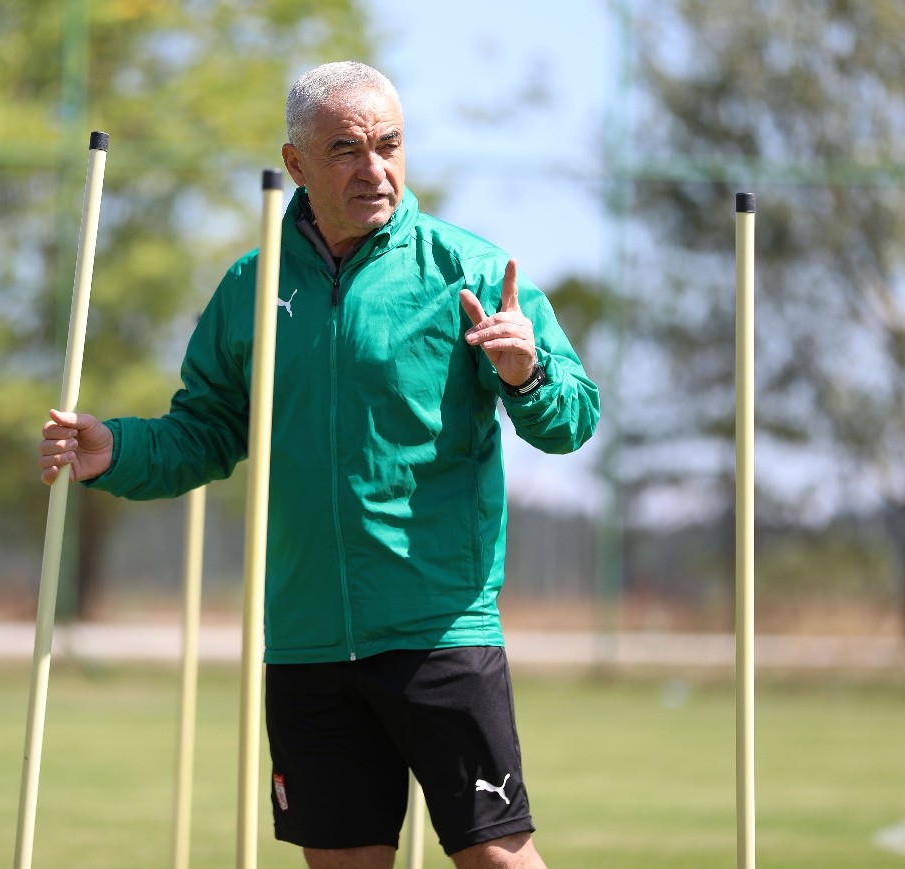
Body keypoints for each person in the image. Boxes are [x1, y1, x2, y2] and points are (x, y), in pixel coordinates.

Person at [39, 61, 600, 869]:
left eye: (388, 145)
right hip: (305, 639)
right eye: (346, 149)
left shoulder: (470, 271)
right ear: (295, 163)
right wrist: (116, 449)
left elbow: (574, 419)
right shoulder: (251, 283)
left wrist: (527, 373)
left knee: (498, 859)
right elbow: (206, 430)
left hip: (438, 628)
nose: (374, 169)